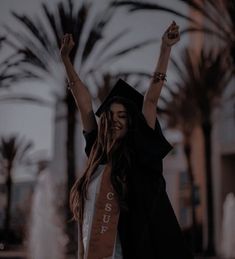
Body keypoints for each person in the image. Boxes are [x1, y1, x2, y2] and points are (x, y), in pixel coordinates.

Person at [60, 21, 194, 259]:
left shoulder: (141, 158)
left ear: (132, 123)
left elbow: (150, 101)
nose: (115, 120)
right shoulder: (95, 155)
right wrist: (66, 61)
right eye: (110, 115)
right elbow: (85, 106)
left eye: (123, 116)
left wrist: (165, 49)